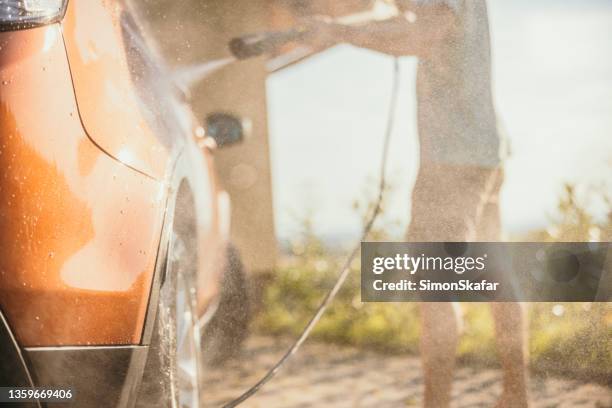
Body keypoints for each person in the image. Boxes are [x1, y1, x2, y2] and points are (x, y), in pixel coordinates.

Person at [287, 1, 528, 406]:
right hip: (485, 153)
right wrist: (336, 26)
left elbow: (422, 34)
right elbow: (412, 18)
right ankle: (516, 397)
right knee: (496, 272)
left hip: (451, 160)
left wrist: (339, 32)